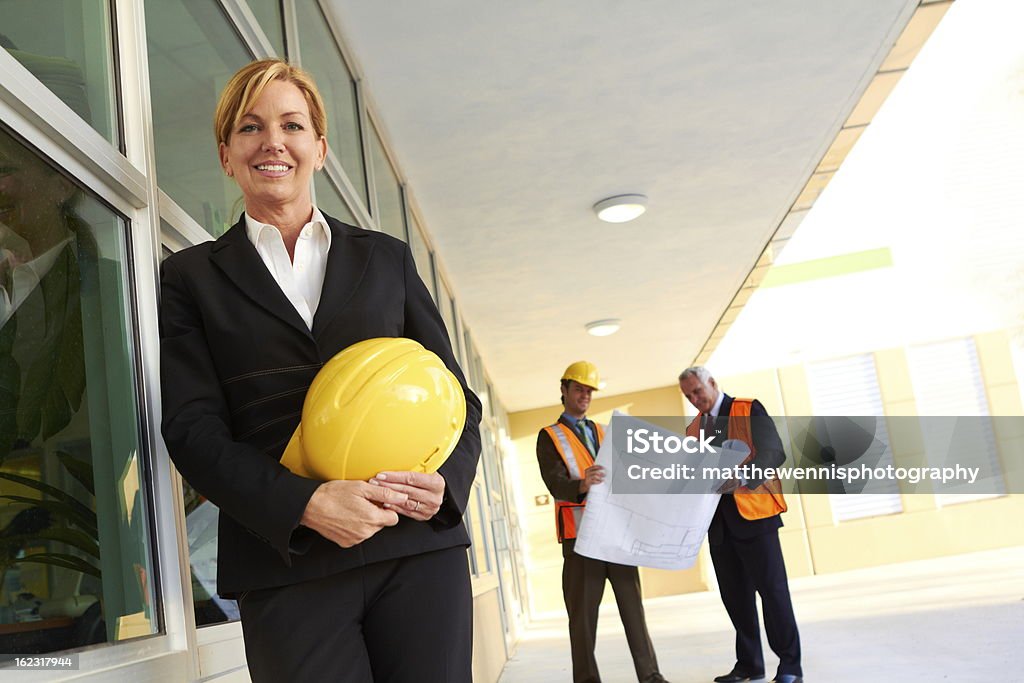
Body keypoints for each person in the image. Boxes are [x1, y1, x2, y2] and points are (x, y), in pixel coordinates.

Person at [159, 59, 481, 683]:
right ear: (226, 155)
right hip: (285, 560)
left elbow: (456, 396)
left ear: (320, 149)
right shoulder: (189, 278)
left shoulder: (385, 258)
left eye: (292, 125)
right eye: (250, 127)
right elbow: (193, 430)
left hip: (414, 549)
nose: (272, 142)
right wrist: (304, 503)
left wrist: (447, 486)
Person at [536, 361, 668, 683]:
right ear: (564, 390)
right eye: (579, 389)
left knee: (634, 614)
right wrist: (582, 483)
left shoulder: (605, 432)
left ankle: (651, 677)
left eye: (589, 391)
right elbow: (555, 483)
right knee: (582, 621)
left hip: (617, 538)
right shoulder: (549, 437)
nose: (585, 396)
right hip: (580, 542)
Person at [678, 366, 802, 683]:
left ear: (712, 383)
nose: (695, 399)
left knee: (773, 594)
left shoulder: (747, 409)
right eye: (688, 395)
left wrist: (743, 478)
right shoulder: (693, 430)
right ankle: (749, 665)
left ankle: (790, 666)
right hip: (718, 526)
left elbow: (774, 452)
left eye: (697, 391)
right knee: (736, 598)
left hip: (755, 517)